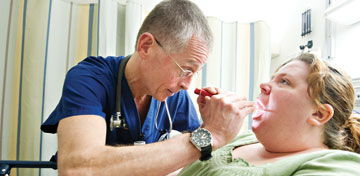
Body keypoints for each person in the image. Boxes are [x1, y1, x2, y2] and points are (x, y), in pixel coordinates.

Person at [41, 0, 255, 175]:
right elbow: (78, 168)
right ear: (146, 46)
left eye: (194, 74)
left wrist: (208, 124)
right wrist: (210, 135)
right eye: (185, 70)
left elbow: (204, 154)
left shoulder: (173, 96)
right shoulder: (90, 78)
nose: (187, 84)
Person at [178, 53, 360, 176]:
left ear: (319, 114)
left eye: (284, 81)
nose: (264, 85)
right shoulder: (243, 137)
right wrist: (208, 127)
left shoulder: (336, 165)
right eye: (272, 78)